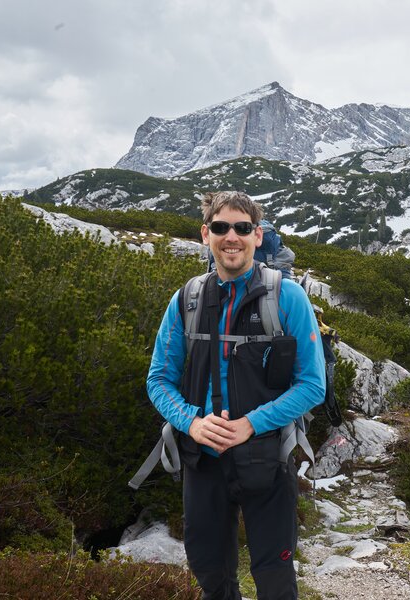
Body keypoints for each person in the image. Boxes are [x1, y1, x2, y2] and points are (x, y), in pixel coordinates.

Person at [147, 191, 326, 600]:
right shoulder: (187, 300)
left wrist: (250, 424)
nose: (233, 236)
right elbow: (158, 379)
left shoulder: (288, 297)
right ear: (205, 234)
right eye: (222, 227)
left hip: (268, 458)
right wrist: (192, 421)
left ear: (258, 236)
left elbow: (313, 385)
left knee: (276, 578)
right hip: (203, 461)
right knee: (211, 576)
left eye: (243, 228)